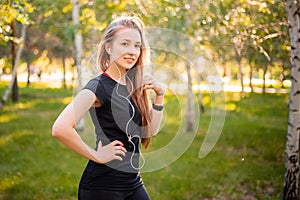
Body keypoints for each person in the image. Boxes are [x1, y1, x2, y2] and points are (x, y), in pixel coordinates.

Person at [52, 16, 165, 200]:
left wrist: (160, 96)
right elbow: (60, 128)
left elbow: (150, 130)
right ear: (108, 47)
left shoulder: (134, 84)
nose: (132, 51)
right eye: (125, 44)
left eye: (136, 46)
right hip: (102, 186)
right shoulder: (98, 86)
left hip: (133, 183)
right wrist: (97, 155)